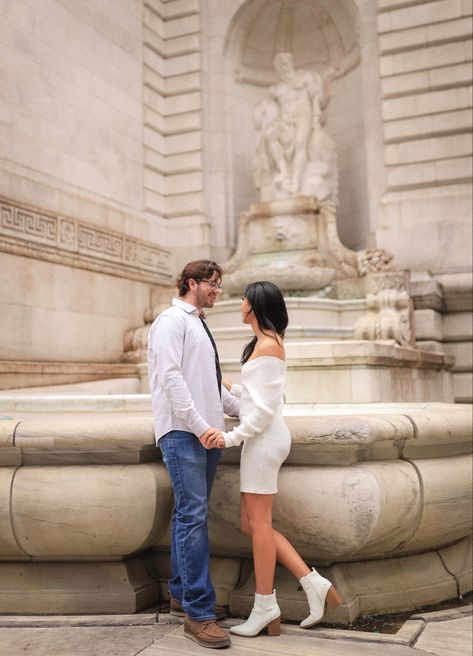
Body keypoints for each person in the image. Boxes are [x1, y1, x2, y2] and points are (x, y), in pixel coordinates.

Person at [202, 281, 342, 637]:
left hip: (263, 442)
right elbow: (259, 396)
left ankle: (266, 605)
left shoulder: (267, 347)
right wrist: (227, 386)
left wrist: (229, 437)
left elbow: (264, 412)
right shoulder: (266, 345)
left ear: (256, 306)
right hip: (262, 442)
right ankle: (313, 583)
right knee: (252, 525)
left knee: (259, 525)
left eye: (245, 298)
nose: (241, 303)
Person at [147, 259, 240, 650]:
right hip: (184, 433)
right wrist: (202, 428)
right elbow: (170, 379)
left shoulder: (198, 322)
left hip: (205, 433)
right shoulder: (172, 321)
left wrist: (246, 413)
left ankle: (182, 596)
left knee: (189, 513)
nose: (218, 289)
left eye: (219, 284)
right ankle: (198, 615)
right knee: (192, 516)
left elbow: (208, 384)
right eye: (212, 283)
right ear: (191, 283)